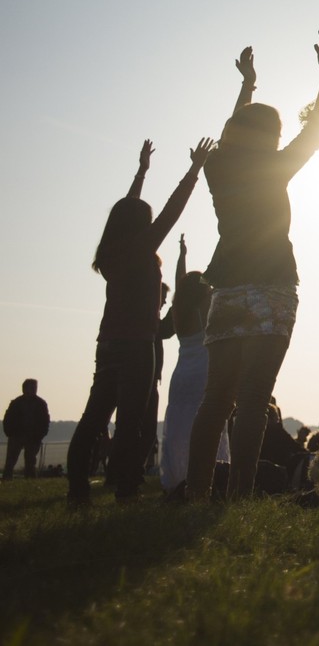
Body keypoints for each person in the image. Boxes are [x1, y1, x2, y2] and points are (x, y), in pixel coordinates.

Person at [186, 34, 319, 501]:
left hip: (227, 290)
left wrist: (247, 87)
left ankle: (196, 495)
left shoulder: (217, 168)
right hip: (271, 287)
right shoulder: (275, 167)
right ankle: (239, 494)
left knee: (216, 400)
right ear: (270, 138)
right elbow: (314, 132)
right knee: (253, 399)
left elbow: (232, 131)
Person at [69, 137, 213, 504]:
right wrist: (195, 169)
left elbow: (125, 212)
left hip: (109, 343)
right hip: (136, 345)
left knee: (94, 416)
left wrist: (142, 171)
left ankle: (77, 490)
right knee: (133, 418)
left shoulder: (111, 251)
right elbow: (172, 210)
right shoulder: (139, 249)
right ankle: (127, 488)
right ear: (138, 225)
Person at [159, 235, 228, 491]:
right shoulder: (206, 305)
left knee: (180, 426)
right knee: (207, 424)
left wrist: (182, 256)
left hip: (181, 375)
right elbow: (216, 281)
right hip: (203, 371)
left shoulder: (180, 310)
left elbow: (180, 283)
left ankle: (178, 478)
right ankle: (210, 474)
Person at [3, 379, 49, 479]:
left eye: (34, 387)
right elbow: (8, 418)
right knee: (10, 461)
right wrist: (10, 432)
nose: (33, 390)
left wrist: (40, 435)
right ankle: (7, 479)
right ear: (24, 389)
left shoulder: (41, 404)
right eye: (31, 387)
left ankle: (30, 480)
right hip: (16, 435)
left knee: (30, 461)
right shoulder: (16, 403)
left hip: (33, 437)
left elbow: (45, 421)